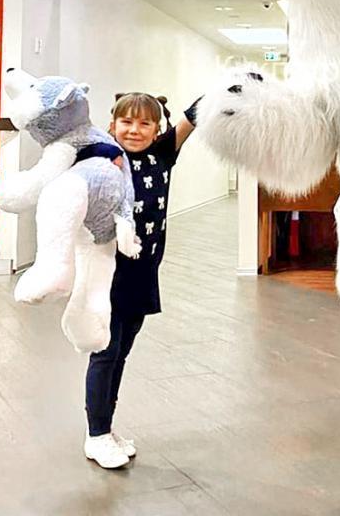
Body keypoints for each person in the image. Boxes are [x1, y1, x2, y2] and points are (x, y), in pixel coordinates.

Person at [83, 90, 201, 469]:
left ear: (156, 128)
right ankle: (96, 434)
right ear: (113, 124)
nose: (134, 130)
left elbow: (193, 116)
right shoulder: (103, 158)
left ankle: (106, 428)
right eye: (126, 122)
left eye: (144, 123)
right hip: (109, 272)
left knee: (121, 353)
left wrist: (232, 84)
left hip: (144, 272)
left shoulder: (163, 154)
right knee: (105, 352)